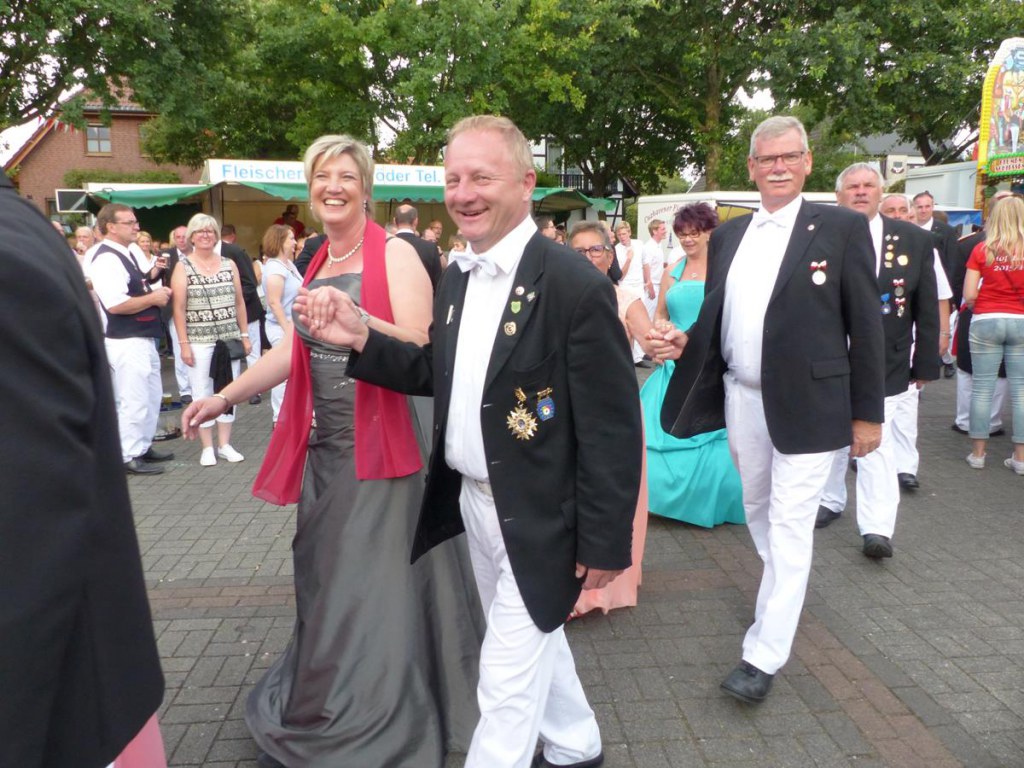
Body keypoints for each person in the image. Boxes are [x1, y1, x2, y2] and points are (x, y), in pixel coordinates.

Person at [299, 115, 641, 768]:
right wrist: (362, 338)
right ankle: (578, 745)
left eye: (482, 177)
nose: (463, 194)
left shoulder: (575, 286)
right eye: (453, 179)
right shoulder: (456, 274)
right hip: (474, 505)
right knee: (534, 637)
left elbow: (612, 427)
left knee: (503, 682)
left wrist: (605, 540)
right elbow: (440, 372)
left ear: (527, 183)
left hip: (544, 517)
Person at [184, 135, 482, 767]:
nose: (333, 186)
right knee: (327, 576)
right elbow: (293, 350)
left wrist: (358, 323)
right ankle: (333, 697)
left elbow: (424, 348)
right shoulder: (318, 255)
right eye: (322, 176)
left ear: (366, 188)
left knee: (371, 581)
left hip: (382, 444)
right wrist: (223, 397)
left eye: (346, 175)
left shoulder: (395, 254)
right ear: (310, 188)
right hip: (327, 448)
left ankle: (375, 715)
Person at [659, 115, 884, 704]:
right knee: (759, 510)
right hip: (743, 399)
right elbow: (717, 319)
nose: (778, 167)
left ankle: (763, 654)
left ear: (808, 162)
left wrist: (868, 414)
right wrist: (683, 342)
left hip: (812, 405)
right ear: (752, 167)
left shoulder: (841, 227)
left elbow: (867, 325)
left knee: (789, 525)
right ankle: (781, 591)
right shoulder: (729, 236)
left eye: (789, 157)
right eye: (766, 159)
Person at [0, 169, 166, 768]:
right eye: (128, 220)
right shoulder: (28, 235)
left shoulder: (10, 249)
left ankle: (137, 449)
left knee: (140, 404)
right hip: (76, 694)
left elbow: (28, 517)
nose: (135, 227)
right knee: (133, 406)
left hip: (56, 705)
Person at [816, 164, 939, 558]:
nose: (861, 191)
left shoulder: (914, 240)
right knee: (831, 434)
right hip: (829, 355)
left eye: (868, 185)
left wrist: (925, 363)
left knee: (876, 443)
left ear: (880, 192)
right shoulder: (818, 235)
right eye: (852, 186)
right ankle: (829, 499)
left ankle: (877, 528)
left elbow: (926, 305)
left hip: (888, 357)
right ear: (839, 195)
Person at [567, 221, 671, 617]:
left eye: (595, 250)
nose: (587, 258)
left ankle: (602, 587)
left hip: (613, 411)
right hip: (565, 409)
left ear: (610, 256)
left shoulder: (623, 297)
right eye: (578, 251)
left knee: (612, 491)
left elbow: (647, 339)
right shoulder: (555, 296)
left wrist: (664, 340)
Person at [641, 204, 745, 528]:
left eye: (694, 233)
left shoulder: (727, 270)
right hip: (673, 364)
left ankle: (710, 502)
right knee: (657, 428)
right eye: (682, 234)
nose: (688, 239)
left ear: (709, 233)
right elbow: (660, 314)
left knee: (712, 432)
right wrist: (660, 331)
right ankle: (658, 500)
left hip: (710, 364)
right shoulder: (672, 271)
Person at [87, 203, 176, 475]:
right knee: (133, 398)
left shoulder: (126, 253)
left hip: (142, 336)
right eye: (129, 222)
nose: (136, 227)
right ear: (111, 227)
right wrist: (154, 298)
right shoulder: (106, 259)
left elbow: (136, 287)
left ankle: (142, 446)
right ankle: (128, 454)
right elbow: (115, 304)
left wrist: (152, 286)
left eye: (135, 221)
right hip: (126, 339)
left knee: (150, 395)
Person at [170, 213, 249, 467]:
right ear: (191, 237)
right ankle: (207, 447)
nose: (205, 235)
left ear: (216, 236)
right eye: (200, 231)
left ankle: (225, 444)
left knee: (227, 392)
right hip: (199, 340)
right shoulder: (183, 266)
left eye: (210, 231)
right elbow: (179, 308)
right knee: (201, 391)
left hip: (229, 339)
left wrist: (245, 335)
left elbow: (239, 302)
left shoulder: (229, 263)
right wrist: (184, 344)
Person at [963, 195, 1024, 474]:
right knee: (1020, 392)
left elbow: (969, 294)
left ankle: (978, 454)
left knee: (982, 389)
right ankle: (1020, 458)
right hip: (1021, 321)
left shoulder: (981, 249)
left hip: (986, 319)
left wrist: (983, 303)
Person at [260, 224, 302, 426]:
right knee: (283, 373)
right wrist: (287, 330)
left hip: (292, 325)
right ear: (280, 242)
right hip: (281, 326)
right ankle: (279, 417)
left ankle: (292, 412)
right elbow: (274, 302)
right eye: (291, 238)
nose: (295, 242)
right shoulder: (275, 268)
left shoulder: (288, 265)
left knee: (293, 371)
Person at [160, 225, 193, 402]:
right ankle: (185, 389)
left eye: (184, 236)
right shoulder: (167, 255)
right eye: (178, 237)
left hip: (197, 307)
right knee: (180, 346)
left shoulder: (197, 253)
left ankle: (198, 385)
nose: (181, 240)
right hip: (175, 308)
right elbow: (154, 278)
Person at [614, 222, 648, 366]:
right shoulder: (616, 249)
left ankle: (639, 354)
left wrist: (648, 281)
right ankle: (631, 355)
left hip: (639, 285)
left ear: (629, 232)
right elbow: (620, 275)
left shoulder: (639, 244)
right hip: (625, 286)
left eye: (624, 234)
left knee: (642, 318)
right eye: (619, 235)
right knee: (628, 322)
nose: (622, 237)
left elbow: (645, 264)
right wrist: (629, 258)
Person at [394, 203, 444, 292]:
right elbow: (438, 287)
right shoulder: (430, 248)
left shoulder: (382, 246)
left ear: (394, 221)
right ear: (416, 221)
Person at [641, 219, 667, 320]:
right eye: (662, 229)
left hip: (657, 287)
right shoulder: (649, 248)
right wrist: (650, 287)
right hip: (652, 288)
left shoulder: (658, 246)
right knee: (649, 317)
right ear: (655, 231)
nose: (665, 231)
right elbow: (645, 267)